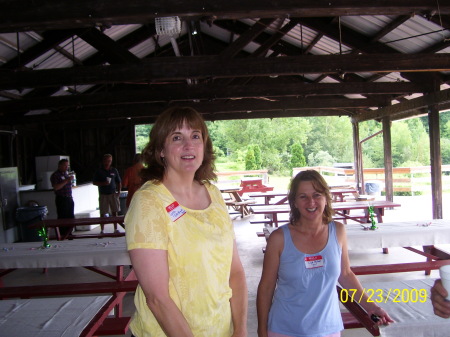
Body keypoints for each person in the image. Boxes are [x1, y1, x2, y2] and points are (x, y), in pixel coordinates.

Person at [125, 106, 248, 337]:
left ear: (204, 145)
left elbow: (236, 273)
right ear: (161, 150)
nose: (188, 145)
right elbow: (157, 298)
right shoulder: (149, 202)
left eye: (195, 136)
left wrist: (240, 329)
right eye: (176, 137)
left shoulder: (214, 194)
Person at [257, 170, 393, 337]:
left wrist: (372, 307)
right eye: (303, 196)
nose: (311, 202)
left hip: (328, 328)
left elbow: (345, 274)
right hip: (284, 328)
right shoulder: (278, 239)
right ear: (294, 202)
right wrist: (261, 330)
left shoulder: (338, 231)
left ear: (326, 198)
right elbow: (266, 287)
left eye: (317, 195)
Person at [93, 153, 122, 233]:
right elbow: (94, 182)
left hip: (113, 193)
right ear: (103, 161)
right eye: (106, 161)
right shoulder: (99, 171)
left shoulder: (114, 170)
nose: (108, 162)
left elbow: (119, 182)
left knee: (115, 212)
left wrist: (119, 192)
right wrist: (103, 183)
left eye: (110, 161)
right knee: (103, 212)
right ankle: (102, 230)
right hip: (103, 194)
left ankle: (115, 229)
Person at [50, 158, 75, 237]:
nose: (66, 167)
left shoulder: (66, 174)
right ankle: (62, 234)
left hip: (69, 198)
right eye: (65, 165)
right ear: (59, 165)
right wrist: (67, 181)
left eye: (67, 166)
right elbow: (56, 187)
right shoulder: (55, 175)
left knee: (70, 217)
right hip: (62, 199)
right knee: (62, 217)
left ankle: (69, 233)